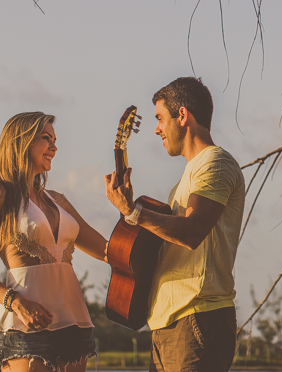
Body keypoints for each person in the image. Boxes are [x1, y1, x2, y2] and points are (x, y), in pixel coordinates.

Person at [105, 77, 245, 372]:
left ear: (182, 116)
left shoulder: (215, 163)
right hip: (169, 322)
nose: (156, 128)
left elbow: (191, 232)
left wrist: (133, 212)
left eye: (159, 118)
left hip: (197, 316)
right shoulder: (186, 178)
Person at [0, 112, 109, 372]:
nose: (54, 146)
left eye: (54, 139)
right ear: (21, 142)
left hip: (74, 323)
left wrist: (129, 211)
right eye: (46, 138)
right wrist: (16, 303)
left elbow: (107, 251)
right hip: (25, 326)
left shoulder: (59, 200)